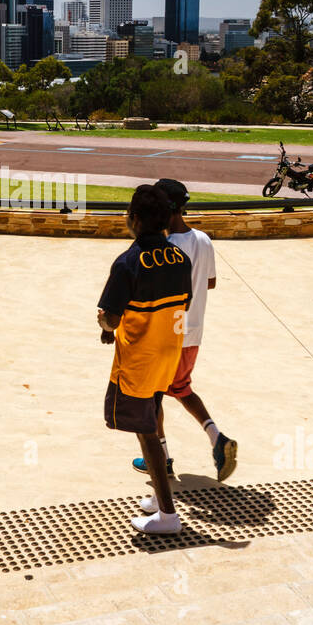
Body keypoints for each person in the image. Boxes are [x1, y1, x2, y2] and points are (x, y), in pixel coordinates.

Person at [98, 184, 193, 535]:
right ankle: (158, 495)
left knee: (146, 430)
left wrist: (106, 324)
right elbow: (182, 302)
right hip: (169, 352)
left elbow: (110, 315)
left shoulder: (128, 262)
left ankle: (168, 516)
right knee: (152, 415)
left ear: (134, 219)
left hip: (139, 359)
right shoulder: (180, 258)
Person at [129, 179, 238, 483]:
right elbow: (210, 282)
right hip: (193, 332)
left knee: (152, 397)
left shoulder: (166, 248)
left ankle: (161, 459)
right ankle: (217, 438)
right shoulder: (203, 239)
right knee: (181, 388)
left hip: (168, 333)